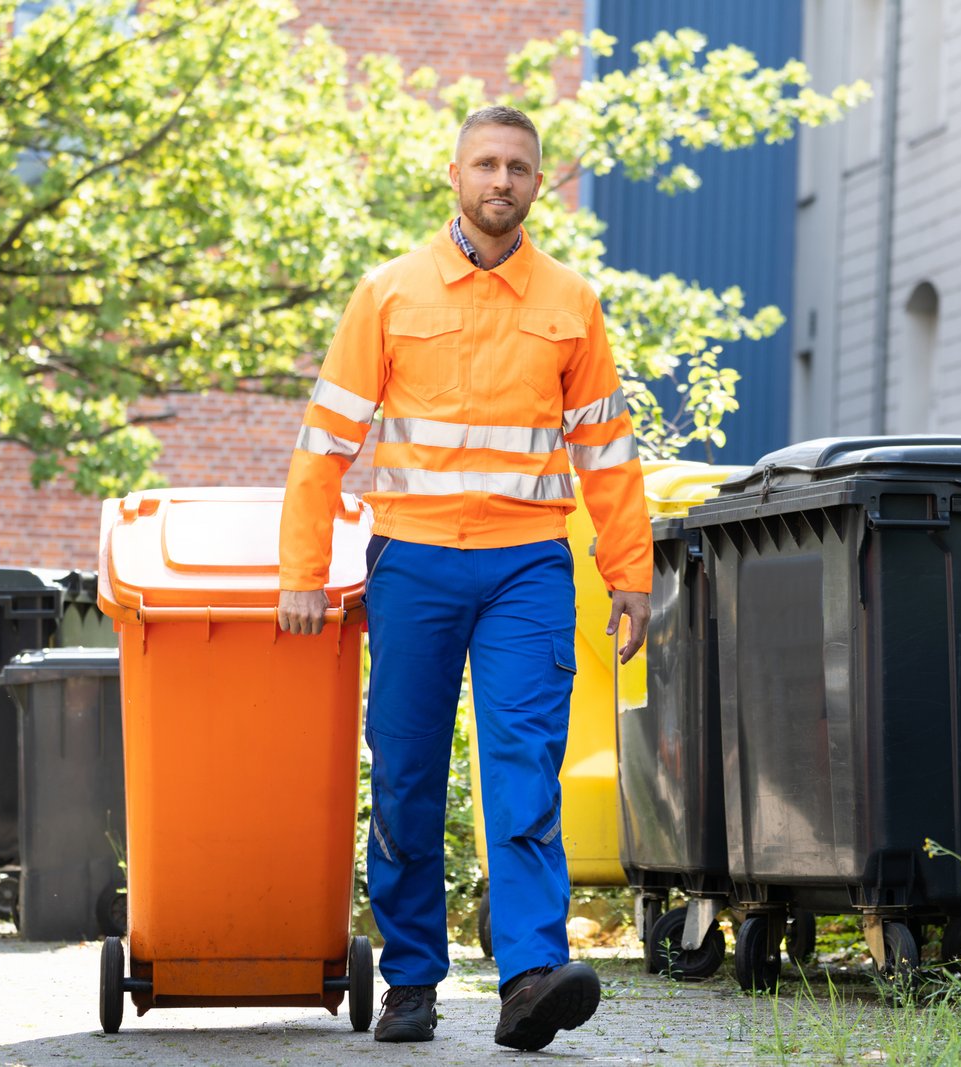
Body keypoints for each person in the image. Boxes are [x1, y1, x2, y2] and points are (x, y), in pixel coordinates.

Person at [276, 105, 652, 1051]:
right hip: (413, 561)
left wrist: (631, 573)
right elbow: (324, 446)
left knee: (524, 765)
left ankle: (529, 973)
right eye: (485, 164)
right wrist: (302, 570)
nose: (502, 181)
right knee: (404, 773)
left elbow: (607, 454)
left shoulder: (571, 303)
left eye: (519, 168)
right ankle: (411, 980)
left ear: (537, 185)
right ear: (453, 175)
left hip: (527, 566)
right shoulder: (391, 294)